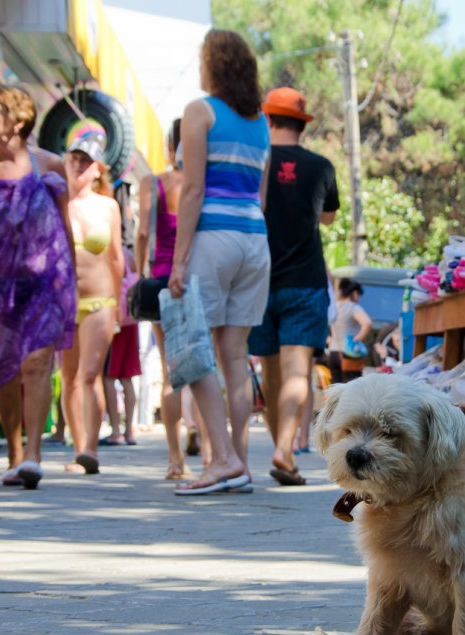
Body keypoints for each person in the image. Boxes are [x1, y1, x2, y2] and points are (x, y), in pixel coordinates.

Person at [0, 84, 76, 490]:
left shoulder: (52, 167)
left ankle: (35, 456)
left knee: (37, 363)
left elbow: (66, 228)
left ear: (20, 120)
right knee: (4, 371)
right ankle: (14, 451)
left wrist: (71, 280)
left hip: (44, 282)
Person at [168, 29, 270, 495]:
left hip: (213, 236)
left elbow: (191, 189)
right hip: (254, 238)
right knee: (234, 355)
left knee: (194, 348)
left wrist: (178, 260)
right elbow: (260, 196)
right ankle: (242, 462)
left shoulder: (200, 110)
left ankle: (223, 459)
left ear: (212, 64)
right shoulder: (260, 121)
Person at [247, 87, 339, 487]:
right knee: (297, 371)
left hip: (257, 279)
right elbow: (329, 218)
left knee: (268, 369)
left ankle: (281, 449)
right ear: (302, 124)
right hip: (304, 280)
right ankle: (284, 449)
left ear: (268, 119)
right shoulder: (321, 166)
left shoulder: (255, 161)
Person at [59, 129, 124, 475]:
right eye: (74, 159)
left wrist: (119, 303)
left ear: (98, 168)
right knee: (68, 377)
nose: (79, 166)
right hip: (65, 301)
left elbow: (116, 259)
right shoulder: (59, 205)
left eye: (86, 160)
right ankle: (77, 446)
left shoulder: (108, 206)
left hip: (100, 300)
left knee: (88, 374)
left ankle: (90, 449)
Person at [136, 118, 193, 479]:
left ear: (170, 147)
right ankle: (204, 434)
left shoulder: (153, 183)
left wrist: (141, 270)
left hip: (160, 280)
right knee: (205, 366)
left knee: (171, 371)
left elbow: (143, 230)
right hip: (195, 280)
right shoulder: (201, 184)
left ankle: (175, 458)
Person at [102, 246, 141, 447]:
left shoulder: (111, 250)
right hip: (132, 318)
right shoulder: (129, 254)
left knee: (108, 375)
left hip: (115, 318)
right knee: (127, 377)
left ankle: (116, 430)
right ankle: (128, 431)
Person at [328, 278, 372, 384]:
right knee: (351, 388)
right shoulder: (353, 307)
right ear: (355, 293)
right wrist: (357, 339)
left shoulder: (333, 307)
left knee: (336, 389)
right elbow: (367, 323)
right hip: (349, 353)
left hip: (333, 352)